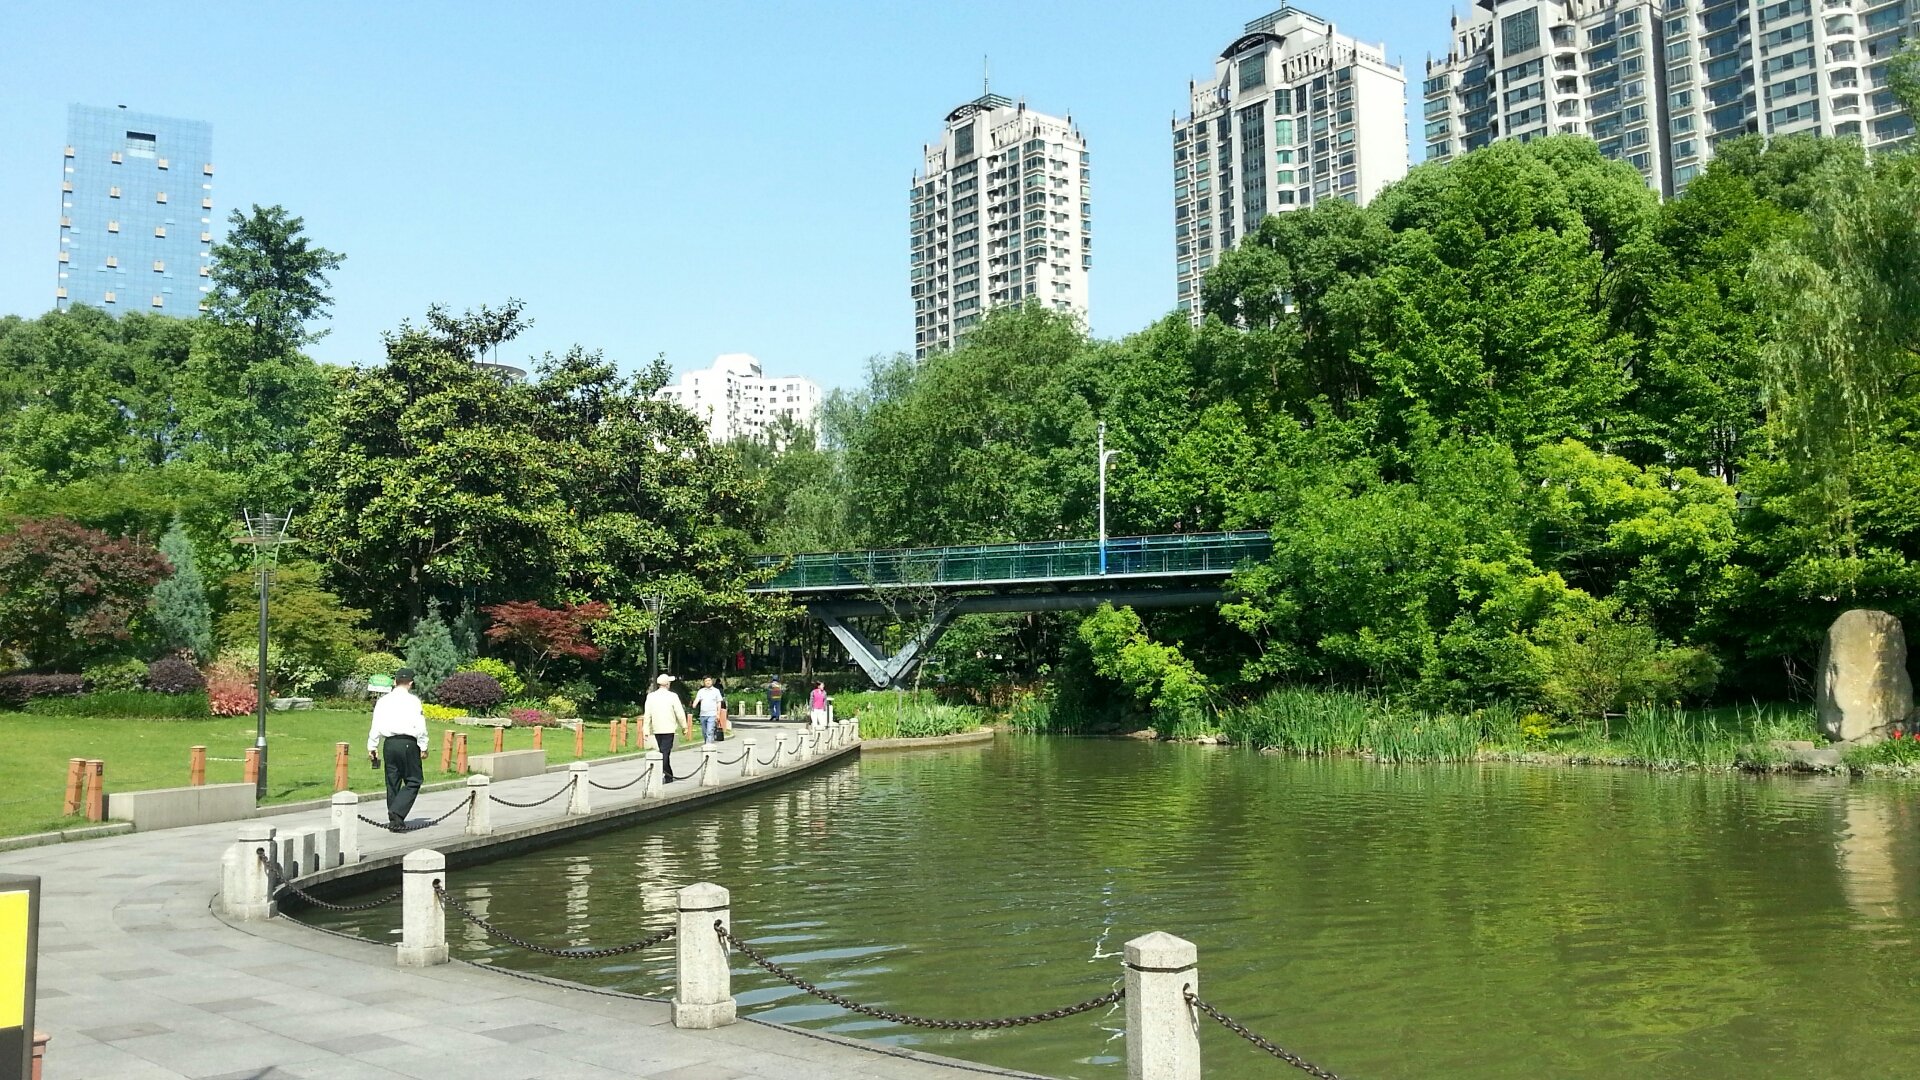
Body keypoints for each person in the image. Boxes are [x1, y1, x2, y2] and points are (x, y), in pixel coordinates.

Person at [366, 668, 428, 827]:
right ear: (411, 683)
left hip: (390, 743)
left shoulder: (383, 701)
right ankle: (397, 811)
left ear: (395, 681)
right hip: (408, 742)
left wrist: (372, 745)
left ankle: (395, 821)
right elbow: (420, 725)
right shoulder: (413, 701)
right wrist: (423, 746)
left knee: (392, 781)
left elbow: (376, 725)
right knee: (414, 779)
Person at [644, 674, 692, 783]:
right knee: (665, 753)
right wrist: (684, 726)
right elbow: (679, 712)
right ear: (667, 684)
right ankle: (666, 773)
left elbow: (647, 714)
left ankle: (668, 775)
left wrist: (646, 729)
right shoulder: (673, 696)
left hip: (657, 728)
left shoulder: (651, 696)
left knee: (663, 751)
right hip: (669, 728)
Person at [693, 676, 725, 744]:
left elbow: (719, 702)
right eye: (706, 681)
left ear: (712, 681)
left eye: (709, 680)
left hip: (712, 714)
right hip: (703, 714)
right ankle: (706, 743)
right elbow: (697, 699)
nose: (708, 682)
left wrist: (718, 714)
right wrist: (694, 704)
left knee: (710, 731)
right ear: (704, 682)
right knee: (704, 732)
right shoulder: (701, 691)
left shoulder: (716, 691)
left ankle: (709, 745)